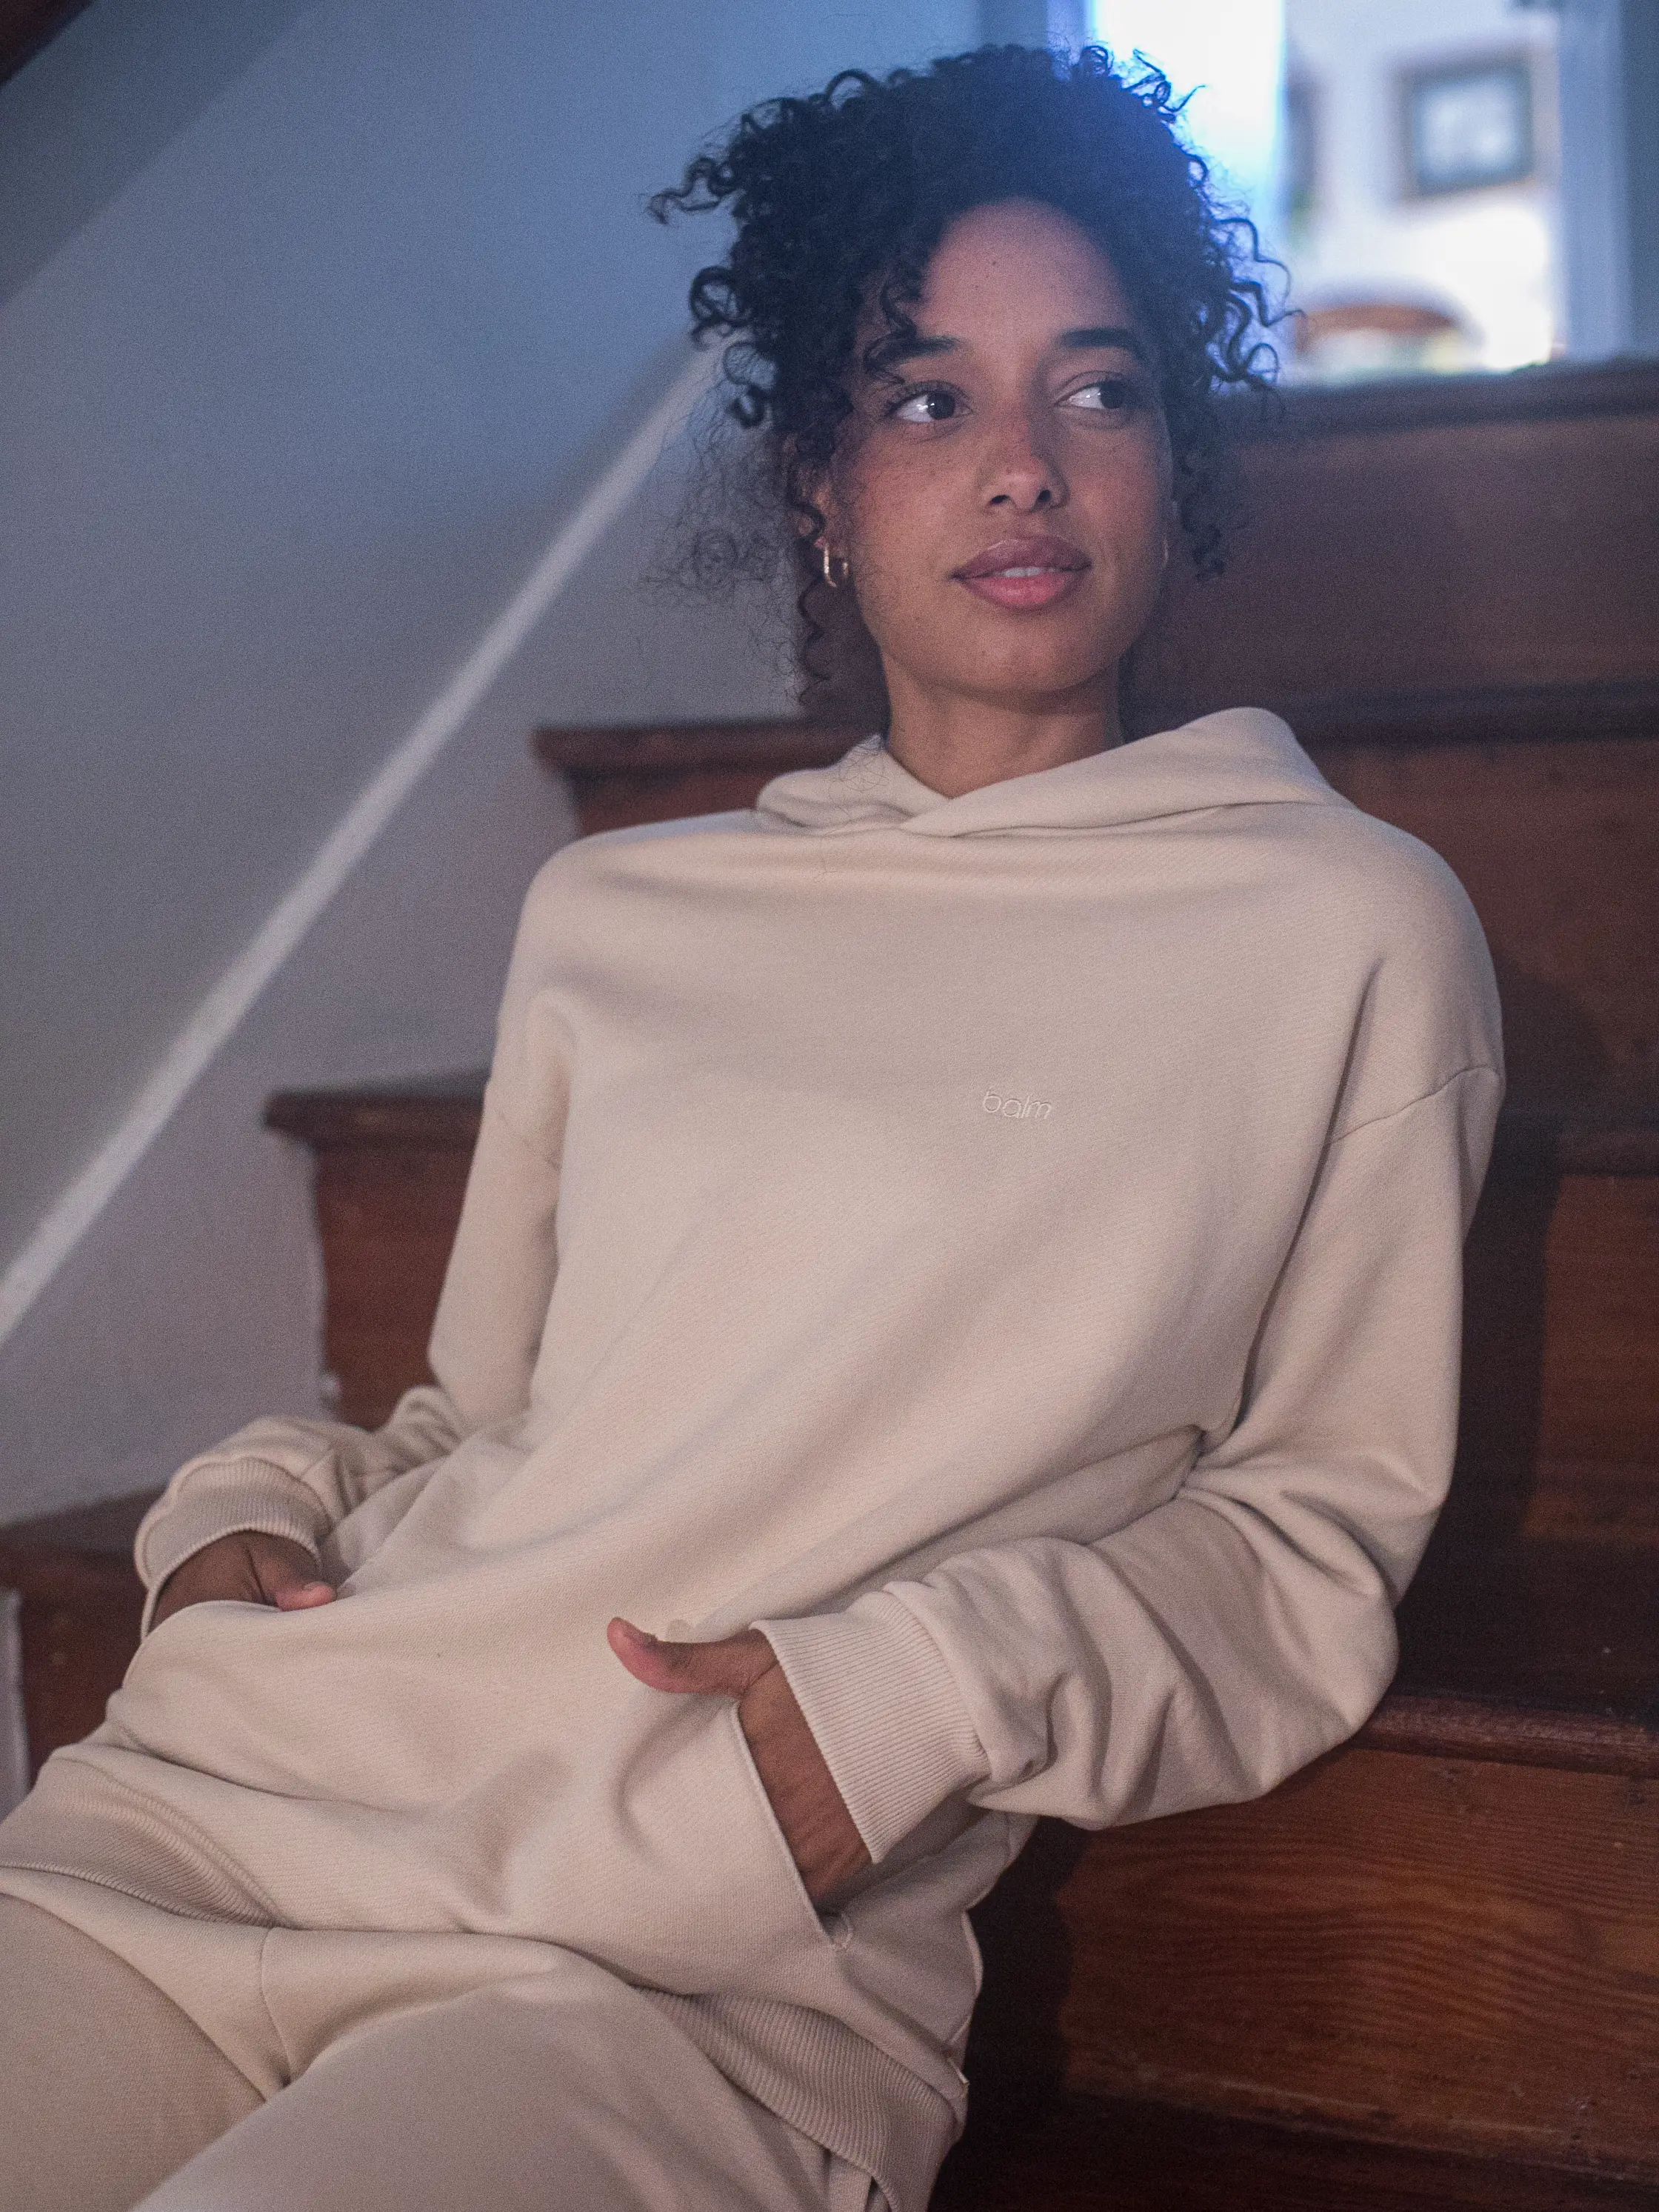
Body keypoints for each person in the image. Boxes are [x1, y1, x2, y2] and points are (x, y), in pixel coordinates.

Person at [0, 42, 1503, 2212]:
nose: (1021, 468)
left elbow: (1310, 1544)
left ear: (1175, 461)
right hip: (222, 1817)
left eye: (1096, 390)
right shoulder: (619, 912)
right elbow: (478, 1423)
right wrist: (240, 1508)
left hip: (686, 1958)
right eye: (928, 399)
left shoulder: (1347, 929)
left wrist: (916, 1701)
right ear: (821, 481)